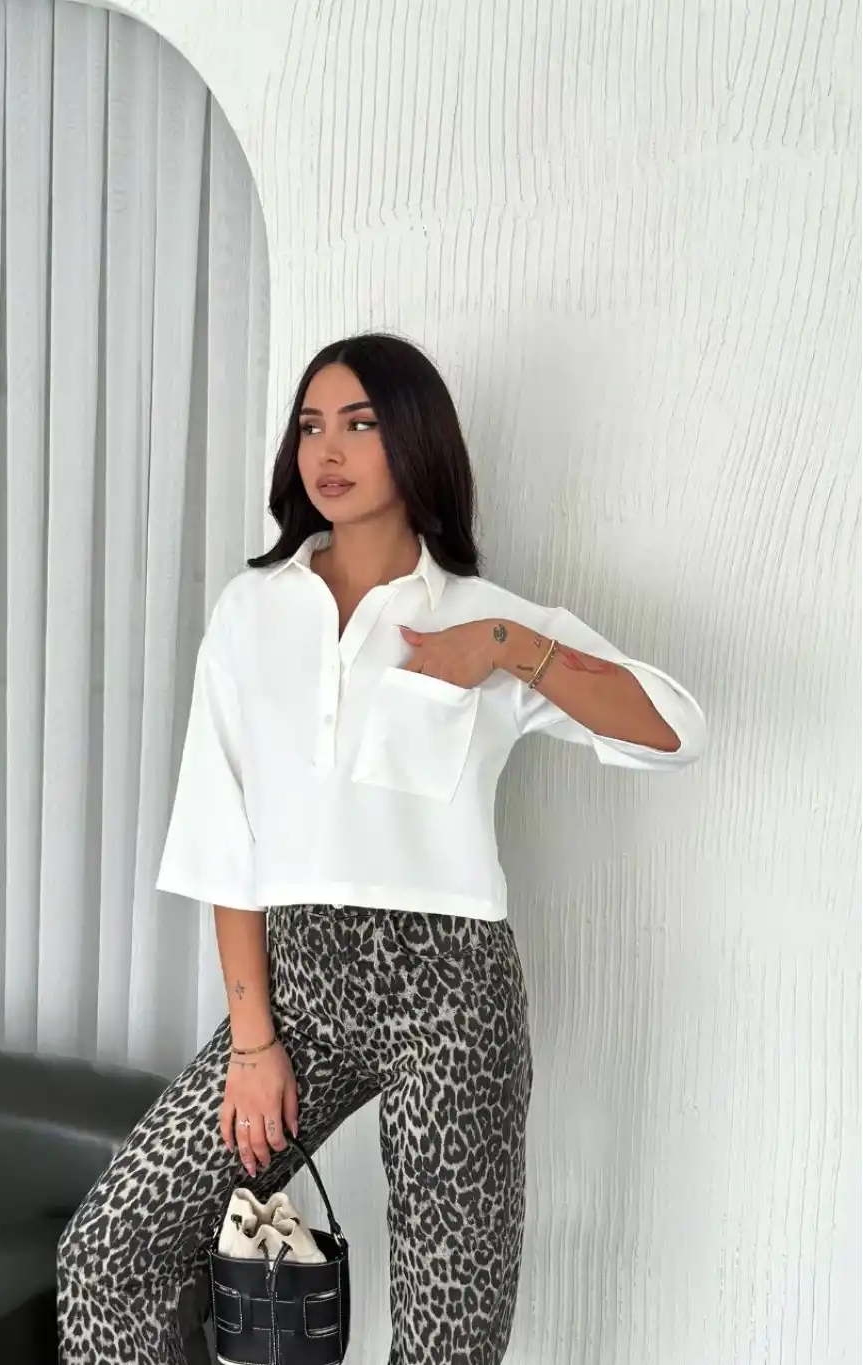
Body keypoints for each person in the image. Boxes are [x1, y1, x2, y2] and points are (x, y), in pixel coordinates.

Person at [56, 333, 706, 1365]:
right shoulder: (251, 610)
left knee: (448, 1337)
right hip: (298, 992)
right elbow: (225, 837)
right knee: (112, 1253)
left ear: (413, 439)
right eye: (311, 425)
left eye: (359, 424)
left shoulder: (482, 616)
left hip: (451, 998)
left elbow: (674, 731)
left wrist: (510, 650)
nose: (328, 449)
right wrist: (254, 1041)